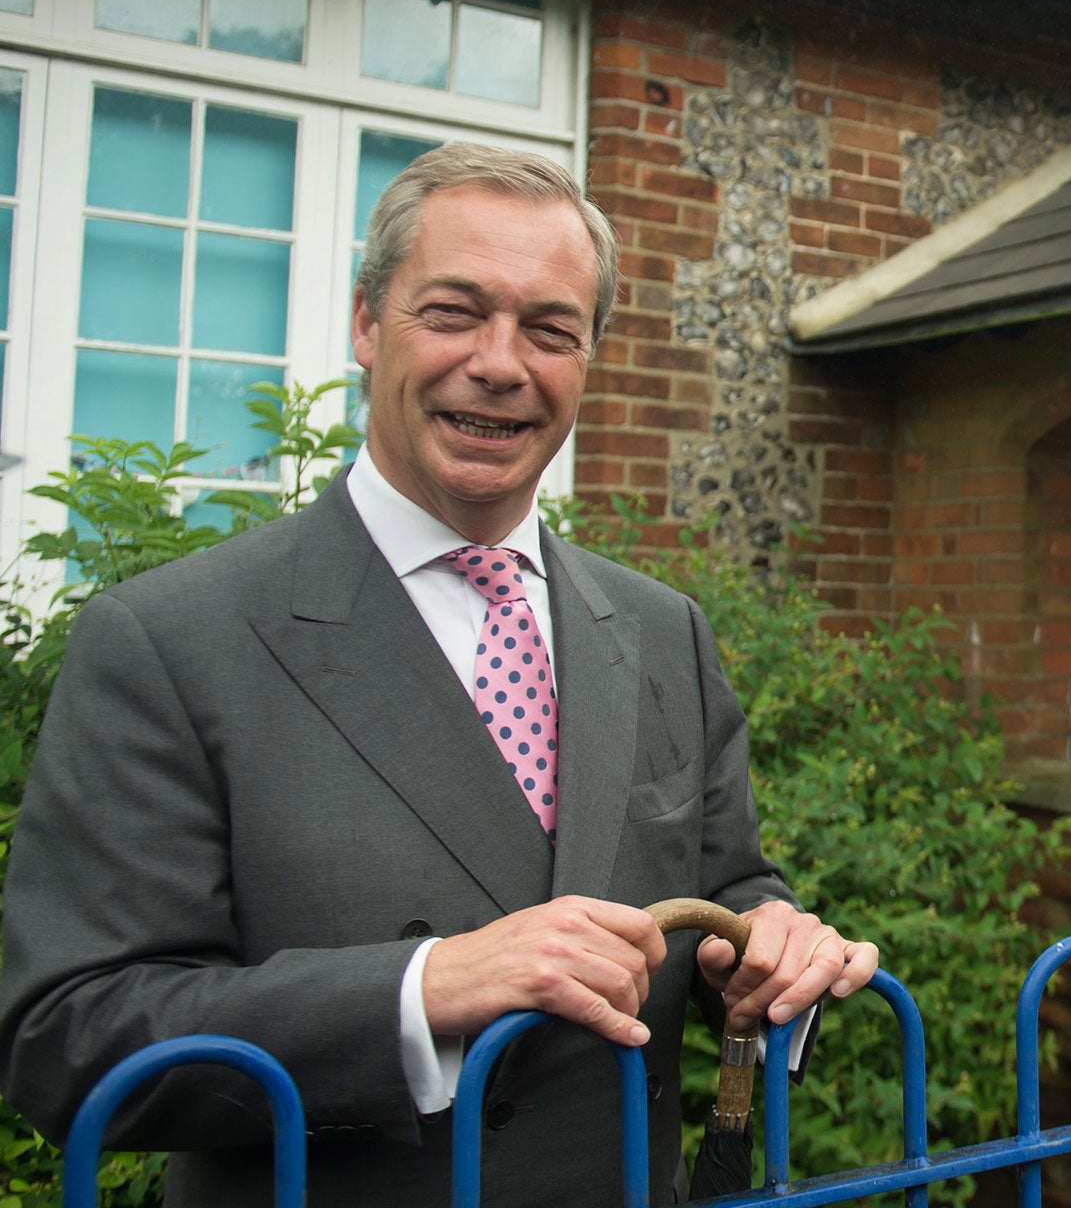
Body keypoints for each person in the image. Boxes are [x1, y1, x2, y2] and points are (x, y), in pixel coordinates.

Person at [0, 143, 876, 1205]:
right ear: (367, 324)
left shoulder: (661, 632)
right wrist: (420, 991)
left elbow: (728, 886)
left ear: (589, 358)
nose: (501, 363)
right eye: (454, 312)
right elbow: (68, 1036)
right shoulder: (168, 640)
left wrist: (773, 950)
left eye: (549, 329)